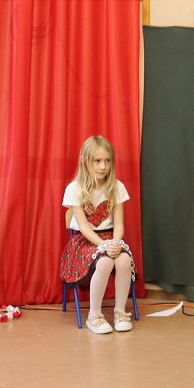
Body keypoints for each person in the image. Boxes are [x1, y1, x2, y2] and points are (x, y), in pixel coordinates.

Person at [58, 135, 135, 335]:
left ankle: (120, 311)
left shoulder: (116, 186)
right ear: (85, 161)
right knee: (105, 261)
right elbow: (83, 227)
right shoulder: (74, 189)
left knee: (124, 260)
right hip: (84, 241)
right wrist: (103, 245)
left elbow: (119, 223)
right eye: (97, 161)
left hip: (110, 237)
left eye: (107, 161)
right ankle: (94, 315)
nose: (103, 166)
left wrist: (115, 242)